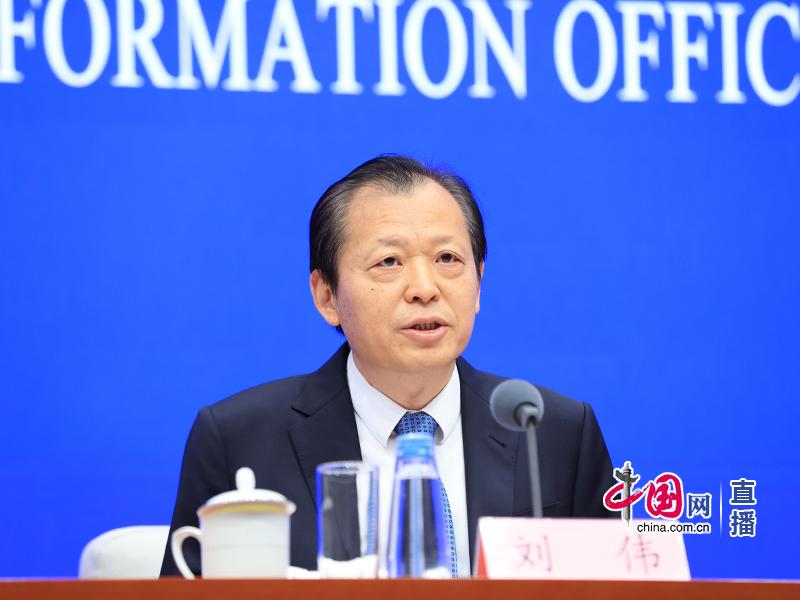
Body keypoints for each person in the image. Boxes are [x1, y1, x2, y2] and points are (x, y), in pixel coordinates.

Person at [160, 155, 614, 578]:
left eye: (447, 259)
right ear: (326, 296)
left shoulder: (555, 434)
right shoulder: (239, 439)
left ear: (478, 284)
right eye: (389, 261)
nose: (424, 288)